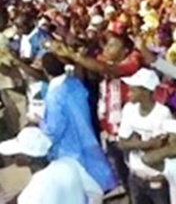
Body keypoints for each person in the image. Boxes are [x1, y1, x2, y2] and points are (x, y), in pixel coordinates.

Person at [38, 52, 118, 193]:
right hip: (87, 137)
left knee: (82, 188)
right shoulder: (74, 83)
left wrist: (40, 123)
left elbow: (55, 129)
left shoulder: (54, 96)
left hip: (70, 147)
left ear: (45, 71)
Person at [0, 127, 103, 204]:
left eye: (17, 154)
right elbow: (96, 193)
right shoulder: (69, 164)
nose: (13, 157)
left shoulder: (31, 194)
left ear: (28, 158)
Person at [118, 68, 173, 204]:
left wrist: (135, 142)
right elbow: (122, 143)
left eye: (133, 90)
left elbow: (159, 147)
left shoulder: (163, 113)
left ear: (146, 92)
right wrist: (145, 144)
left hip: (156, 178)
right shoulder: (128, 109)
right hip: (136, 176)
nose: (128, 94)